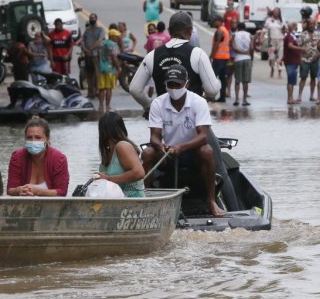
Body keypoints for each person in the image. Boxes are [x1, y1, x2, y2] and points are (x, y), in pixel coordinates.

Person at [141, 64, 225, 217]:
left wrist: (181, 147)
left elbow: (203, 136)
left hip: (193, 153)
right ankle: (145, 201)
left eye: (177, 85)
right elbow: (154, 136)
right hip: (167, 154)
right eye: (170, 84)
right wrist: (160, 146)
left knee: (207, 151)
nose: (174, 88)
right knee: (147, 153)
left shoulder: (198, 102)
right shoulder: (158, 103)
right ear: (165, 85)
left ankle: (211, 200)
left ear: (187, 84)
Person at [129, 11, 221, 110]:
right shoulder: (198, 54)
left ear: (169, 31)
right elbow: (212, 90)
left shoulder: (152, 56)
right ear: (190, 30)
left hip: (163, 115)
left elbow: (135, 89)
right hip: (192, 114)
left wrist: (149, 105)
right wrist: (202, 99)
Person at [7, 116, 70, 196]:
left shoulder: (59, 159)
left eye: (38, 137)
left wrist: (38, 191)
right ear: (25, 139)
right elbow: (10, 190)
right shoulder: (17, 157)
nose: (33, 141)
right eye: (29, 137)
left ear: (47, 139)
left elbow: (62, 192)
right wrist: (19, 190)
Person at [93, 112, 145, 198]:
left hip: (132, 200)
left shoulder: (122, 146)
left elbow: (139, 173)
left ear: (103, 131)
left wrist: (107, 178)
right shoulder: (108, 153)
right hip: (115, 200)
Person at [297, 15, 320, 104]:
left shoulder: (317, 34)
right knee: (303, 77)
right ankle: (299, 95)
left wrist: (318, 55)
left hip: (315, 60)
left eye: (313, 24)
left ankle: (311, 95)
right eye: (310, 24)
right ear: (307, 25)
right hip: (305, 59)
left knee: (313, 78)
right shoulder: (303, 34)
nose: (312, 25)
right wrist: (300, 58)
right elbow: (299, 46)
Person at [80, 13, 105, 95]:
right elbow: (82, 40)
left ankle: (97, 90)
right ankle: (90, 91)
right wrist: (84, 49)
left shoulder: (100, 30)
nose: (92, 19)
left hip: (96, 55)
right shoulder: (87, 30)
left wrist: (91, 48)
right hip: (87, 55)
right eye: (90, 18)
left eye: (93, 18)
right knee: (88, 74)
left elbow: (100, 40)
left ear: (96, 19)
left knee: (97, 73)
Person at [98, 28, 122, 111]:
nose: (117, 38)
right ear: (112, 36)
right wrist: (118, 67)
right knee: (109, 88)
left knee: (101, 88)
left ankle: (101, 106)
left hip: (101, 68)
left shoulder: (102, 43)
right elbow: (114, 57)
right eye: (116, 36)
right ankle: (107, 106)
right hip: (110, 69)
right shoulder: (113, 45)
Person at [210, 15, 232, 102]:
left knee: (212, 77)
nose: (213, 22)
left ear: (219, 21)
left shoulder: (219, 31)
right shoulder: (225, 30)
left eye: (214, 21)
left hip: (218, 58)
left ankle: (211, 96)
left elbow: (216, 44)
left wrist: (211, 56)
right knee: (223, 78)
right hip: (225, 58)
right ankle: (222, 97)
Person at [231, 21, 254, 106]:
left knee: (237, 80)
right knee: (245, 81)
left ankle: (237, 99)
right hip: (247, 59)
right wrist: (249, 56)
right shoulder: (250, 35)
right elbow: (251, 48)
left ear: (238, 28)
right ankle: (244, 100)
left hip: (238, 59)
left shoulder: (234, 35)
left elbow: (234, 47)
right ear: (245, 28)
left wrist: (241, 52)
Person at [283, 23, 303, 105]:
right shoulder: (290, 36)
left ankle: (290, 97)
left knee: (291, 80)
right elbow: (290, 46)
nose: (297, 27)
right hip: (291, 61)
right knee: (291, 80)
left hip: (293, 61)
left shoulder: (292, 36)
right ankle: (290, 98)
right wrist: (301, 49)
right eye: (295, 26)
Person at [263, 7, 284, 78]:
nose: (276, 12)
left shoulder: (282, 20)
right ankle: (272, 68)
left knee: (280, 57)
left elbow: (285, 30)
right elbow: (264, 29)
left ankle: (279, 72)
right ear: (273, 12)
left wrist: (284, 30)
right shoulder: (269, 20)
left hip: (280, 40)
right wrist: (261, 37)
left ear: (279, 12)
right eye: (275, 11)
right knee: (271, 57)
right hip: (271, 40)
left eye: (277, 11)